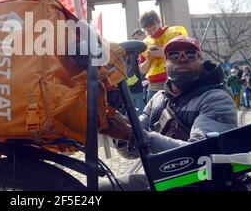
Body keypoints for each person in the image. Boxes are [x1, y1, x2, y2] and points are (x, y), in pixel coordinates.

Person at [100, 35, 237, 191]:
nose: (182, 59)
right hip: (164, 179)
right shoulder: (158, 99)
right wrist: (120, 130)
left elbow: (199, 155)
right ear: (165, 64)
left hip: (205, 183)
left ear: (201, 61)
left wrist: (133, 134)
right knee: (97, 188)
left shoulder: (217, 98)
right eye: (174, 55)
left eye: (191, 54)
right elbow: (130, 153)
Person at [138, 11, 187, 102]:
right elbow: (142, 70)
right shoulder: (144, 44)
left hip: (175, 80)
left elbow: (186, 55)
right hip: (154, 85)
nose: (152, 32)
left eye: (154, 28)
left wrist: (164, 53)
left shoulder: (174, 33)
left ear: (159, 22)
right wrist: (149, 59)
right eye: (148, 30)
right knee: (153, 114)